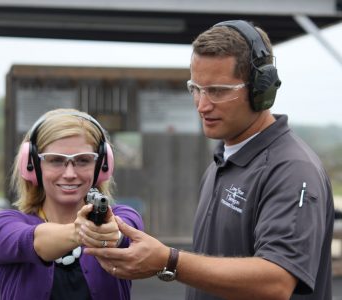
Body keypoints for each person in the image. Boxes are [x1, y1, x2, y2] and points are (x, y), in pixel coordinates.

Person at [84, 20, 335, 300]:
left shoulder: (291, 170)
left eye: (217, 91)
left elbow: (277, 282)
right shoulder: (222, 160)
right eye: (196, 88)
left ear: (261, 90)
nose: (202, 105)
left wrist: (169, 261)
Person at [0, 108, 144, 300]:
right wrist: (85, 232)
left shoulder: (123, 217)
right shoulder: (1, 225)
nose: (69, 174)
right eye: (56, 160)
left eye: (83, 160)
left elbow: (126, 233)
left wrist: (114, 235)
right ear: (32, 165)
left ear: (102, 165)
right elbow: (33, 241)